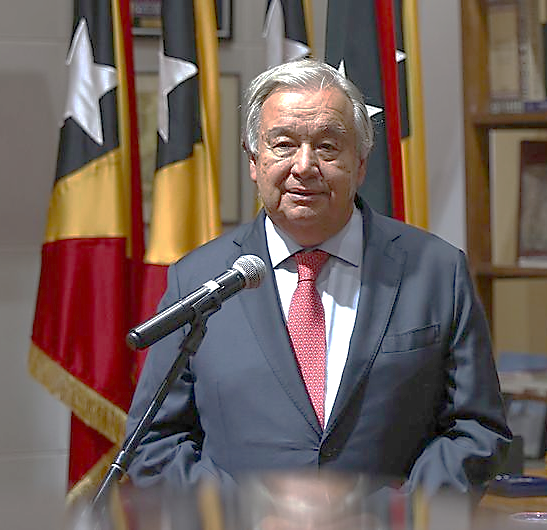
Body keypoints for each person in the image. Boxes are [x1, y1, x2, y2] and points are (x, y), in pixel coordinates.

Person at [124, 59, 511, 497]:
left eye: (328, 147)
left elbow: (476, 429)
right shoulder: (197, 280)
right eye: (283, 144)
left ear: (361, 164)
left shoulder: (437, 271)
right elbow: (153, 444)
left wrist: (390, 516)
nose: (304, 166)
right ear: (254, 161)